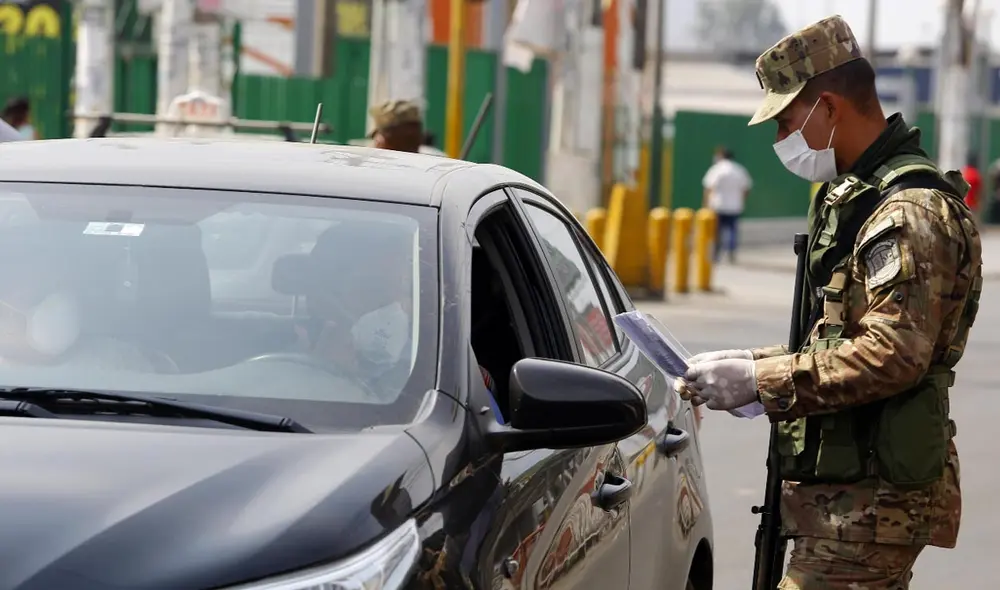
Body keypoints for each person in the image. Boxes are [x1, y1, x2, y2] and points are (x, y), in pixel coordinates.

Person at [677, 15, 981, 590]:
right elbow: (844, 337)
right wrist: (750, 363)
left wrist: (761, 381)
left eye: (787, 122)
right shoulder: (866, 198)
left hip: (870, 503)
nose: (779, 141)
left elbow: (894, 354)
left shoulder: (907, 213)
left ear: (830, 108)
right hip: (850, 496)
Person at [702, 146, 752, 263]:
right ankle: (731, 252)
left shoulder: (716, 170)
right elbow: (746, 188)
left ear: (720, 156)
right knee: (732, 231)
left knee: (716, 232)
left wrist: (705, 203)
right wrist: (741, 200)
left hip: (718, 205)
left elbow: (709, 188)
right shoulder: (739, 170)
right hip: (734, 206)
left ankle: (716, 254)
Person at [961, 154, 982, 221]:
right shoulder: (976, 174)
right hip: (972, 204)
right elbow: (978, 192)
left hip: (962, 202)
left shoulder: (963, 172)